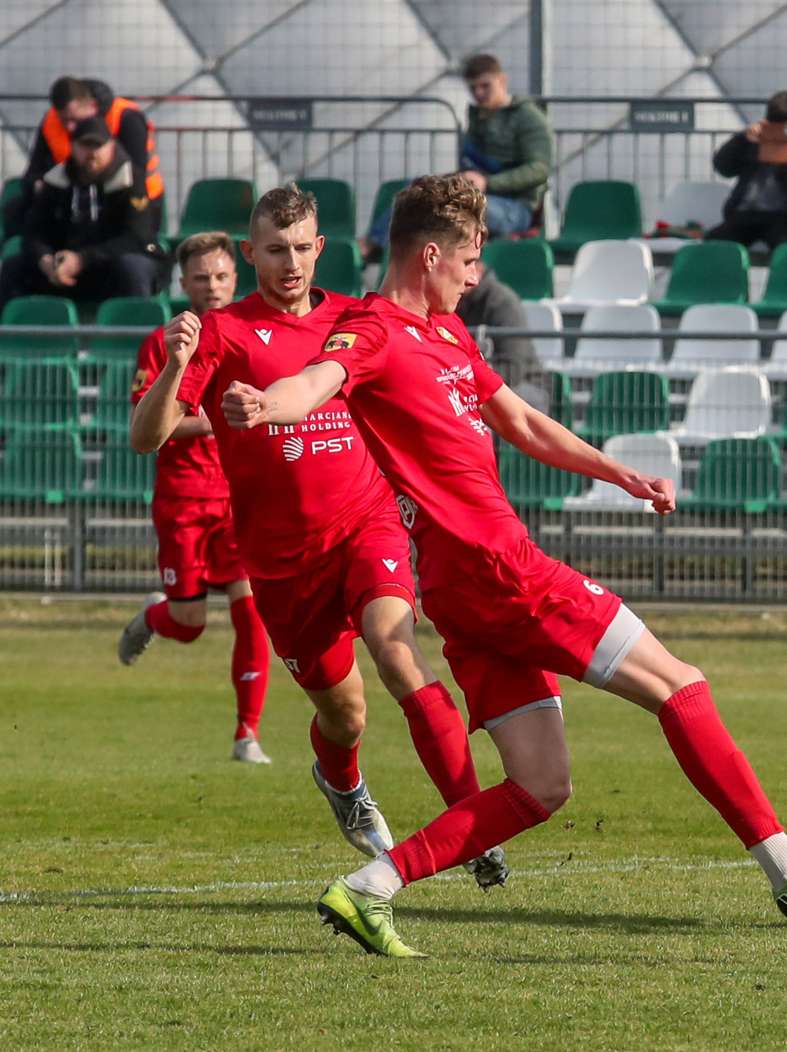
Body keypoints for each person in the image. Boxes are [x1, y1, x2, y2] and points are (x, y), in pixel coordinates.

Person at [224, 175, 787, 958]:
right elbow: (319, 380)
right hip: (497, 566)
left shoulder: (448, 336)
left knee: (542, 785)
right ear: (432, 254)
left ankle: (370, 887)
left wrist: (621, 474)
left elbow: (521, 422)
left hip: (460, 589)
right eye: (470, 260)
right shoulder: (373, 328)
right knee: (680, 684)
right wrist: (268, 405)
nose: (476, 276)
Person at [129, 185, 508, 887]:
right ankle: (342, 781)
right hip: (280, 560)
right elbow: (145, 437)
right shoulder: (222, 332)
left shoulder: (354, 318)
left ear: (321, 248)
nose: (291, 262)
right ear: (251, 254)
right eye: (276, 249)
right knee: (346, 713)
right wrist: (179, 367)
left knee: (402, 658)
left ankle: (475, 823)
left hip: (366, 525)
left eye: (303, 247)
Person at [123, 231, 271, 764]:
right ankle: (153, 619)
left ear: (237, 278)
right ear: (183, 283)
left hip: (240, 496)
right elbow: (150, 425)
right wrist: (211, 421)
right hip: (183, 498)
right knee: (189, 626)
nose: (213, 287)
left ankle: (246, 734)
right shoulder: (166, 341)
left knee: (252, 611)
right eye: (202, 278)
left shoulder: (252, 335)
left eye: (222, 276)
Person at [363, 54, 551, 252]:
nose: (479, 93)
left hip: (514, 208)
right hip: (474, 195)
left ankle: (381, 249)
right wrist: (451, 179)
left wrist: (488, 183)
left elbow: (539, 169)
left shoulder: (529, 118)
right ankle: (389, 252)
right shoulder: (479, 117)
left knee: (450, 206)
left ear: (502, 81)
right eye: (473, 88)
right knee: (418, 189)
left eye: (485, 86)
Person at [0, 115, 169, 319]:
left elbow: (136, 237)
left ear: (111, 146)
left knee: (132, 266)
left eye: (98, 145)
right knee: (13, 267)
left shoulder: (130, 180)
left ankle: (139, 342)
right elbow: (33, 232)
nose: (91, 153)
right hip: (66, 271)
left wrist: (82, 259)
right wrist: (45, 260)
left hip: (110, 265)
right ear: (73, 146)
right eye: (85, 145)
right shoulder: (56, 181)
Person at [6, 76, 163, 236]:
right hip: (73, 203)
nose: (70, 127)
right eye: (64, 120)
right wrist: (37, 186)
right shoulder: (51, 120)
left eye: (75, 120)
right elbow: (34, 170)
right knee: (17, 212)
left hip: (133, 202)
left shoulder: (125, 117)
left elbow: (134, 173)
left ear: (93, 106)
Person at [707, 90, 787, 250]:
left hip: (785, 216)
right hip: (746, 214)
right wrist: (742, 140)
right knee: (714, 244)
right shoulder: (755, 140)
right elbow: (723, 167)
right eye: (775, 127)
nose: (780, 133)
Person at [454, 264, 547, 410]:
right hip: (474, 383)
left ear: (477, 270)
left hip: (526, 384)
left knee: (492, 404)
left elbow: (513, 369)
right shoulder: (451, 302)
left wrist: (464, 378)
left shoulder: (503, 302)